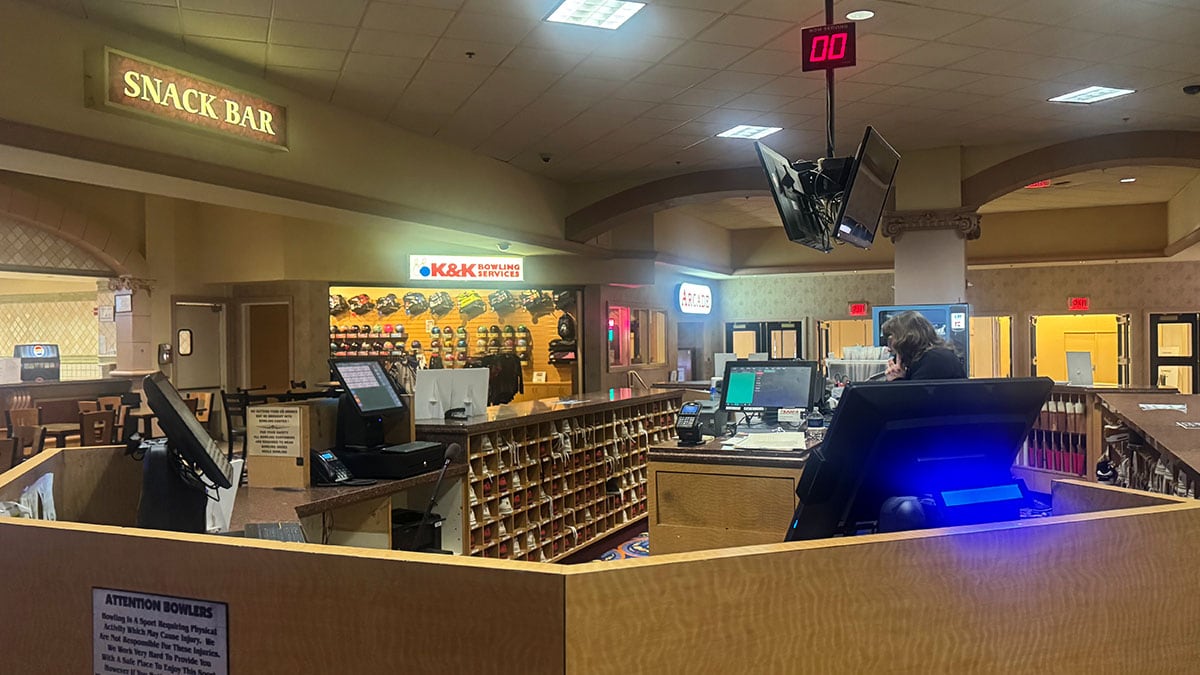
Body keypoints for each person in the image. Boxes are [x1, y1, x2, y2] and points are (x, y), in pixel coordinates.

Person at [881, 311, 967, 381]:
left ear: (906, 339)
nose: (889, 348)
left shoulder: (934, 359)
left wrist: (897, 380)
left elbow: (915, 398)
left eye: (891, 340)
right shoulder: (934, 356)